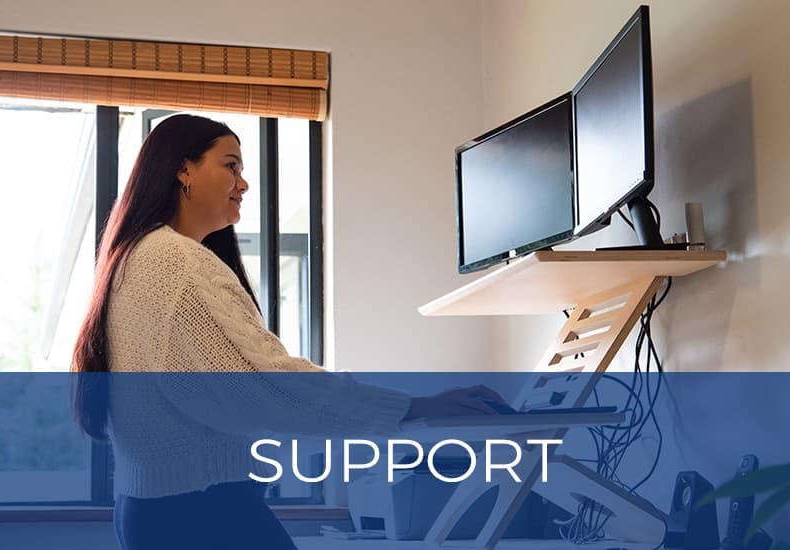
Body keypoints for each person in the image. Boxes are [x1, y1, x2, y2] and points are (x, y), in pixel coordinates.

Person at [70, 114, 503, 550]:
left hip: (152, 508)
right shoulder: (176, 263)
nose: (244, 184)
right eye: (230, 166)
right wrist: (413, 406)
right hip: (202, 510)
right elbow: (269, 386)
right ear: (184, 170)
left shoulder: (135, 258)